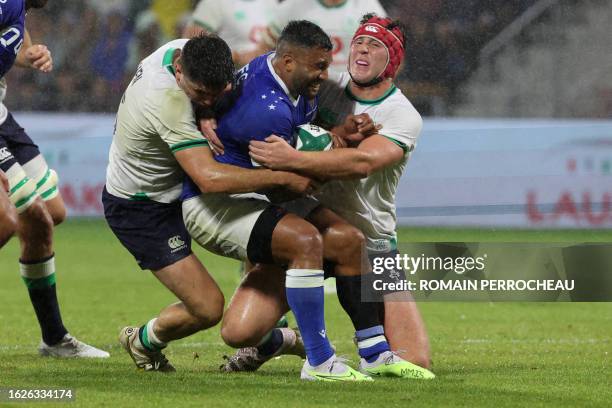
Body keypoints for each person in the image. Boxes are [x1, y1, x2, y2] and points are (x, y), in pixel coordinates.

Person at [183, 20, 423, 380]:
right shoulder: (323, 86)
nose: (360, 50)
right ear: (291, 61)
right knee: (239, 331)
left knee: (416, 358)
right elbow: (285, 176)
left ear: (393, 62)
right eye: (358, 43)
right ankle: (327, 356)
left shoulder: (401, 114)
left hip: (374, 243)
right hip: (291, 216)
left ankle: (364, 355)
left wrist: (311, 150)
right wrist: (205, 111)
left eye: (375, 47)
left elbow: (362, 162)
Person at [103, 34, 314, 372]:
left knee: (262, 243)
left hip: (176, 189)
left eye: (218, 93)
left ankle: (267, 338)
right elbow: (209, 178)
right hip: (141, 206)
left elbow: (218, 87)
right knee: (207, 307)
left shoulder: (190, 51)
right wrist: (281, 178)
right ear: (178, 71)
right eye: (201, 94)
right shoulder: (166, 99)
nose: (211, 100)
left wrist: (203, 108)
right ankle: (142, 341)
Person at [0, 0, 109, 358]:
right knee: (17, 216)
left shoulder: (18, 6)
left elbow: (14, 37)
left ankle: (53, 340)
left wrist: (28, 54)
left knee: (50, 213)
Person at [257, 0, 387, 75]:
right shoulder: (294, 4)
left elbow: (390, 57)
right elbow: (265, 47)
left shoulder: (369, 7)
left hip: (349, 96)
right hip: (302, 95)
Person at [183, 0, 277, 67]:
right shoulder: (213, 3)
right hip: (231, 82)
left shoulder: (272, 2)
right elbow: (191, 49)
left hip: (270, 79)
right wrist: (235, 58)